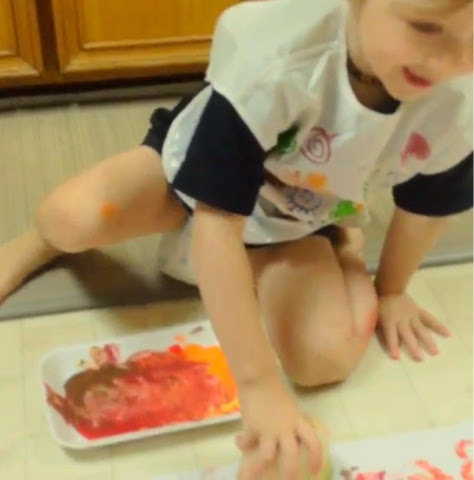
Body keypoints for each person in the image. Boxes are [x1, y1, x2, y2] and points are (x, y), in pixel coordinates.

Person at [1, 0, 472, 478]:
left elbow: (427, 204)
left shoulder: (461, 101)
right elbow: (217, 222)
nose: (446, 63)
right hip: (189, 181)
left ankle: (344, 246)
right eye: (425, 27)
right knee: (69, 218)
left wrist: (391, 290)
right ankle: (37, 244)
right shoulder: (275, 57)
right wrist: (258, 385)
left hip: (301, 216)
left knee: (323, 359)